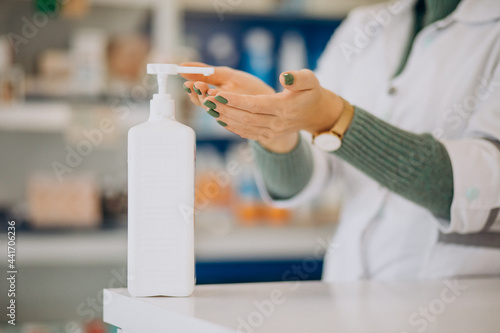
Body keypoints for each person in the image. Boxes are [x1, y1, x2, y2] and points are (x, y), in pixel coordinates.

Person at [181, 0, 500, 281]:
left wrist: (335, 119)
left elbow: (481, 181)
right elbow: (310, 177)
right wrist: (274, 130)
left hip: (450, 299)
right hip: (348, 293)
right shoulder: (364, 27)